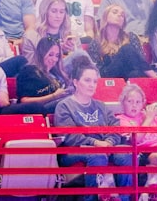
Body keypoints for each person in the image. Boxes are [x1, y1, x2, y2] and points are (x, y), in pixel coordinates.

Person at [54, 62, 133, 194]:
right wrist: (96, 143)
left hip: (104, 146)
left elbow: (115, 127)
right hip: (74, 150)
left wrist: (109, 142)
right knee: (98, 155)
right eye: (87, 80)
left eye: (95, 81)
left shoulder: (101, 105)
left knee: (126, 154)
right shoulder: (64, 106)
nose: (92, 85)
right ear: (75, 82)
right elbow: (70, 137)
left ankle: (125, 198)